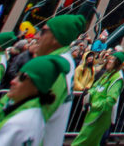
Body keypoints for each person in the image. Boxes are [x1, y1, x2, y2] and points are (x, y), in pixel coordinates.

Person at [35, 14, 86, 146]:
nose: (37, 37)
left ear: (55, 38)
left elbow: (37, 112)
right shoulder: (62, 62)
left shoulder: (56, 66)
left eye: (43, 32)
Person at [71, 51, 124, 146]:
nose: (108, 61)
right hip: (93, 113)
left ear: (117, 63)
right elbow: (95, 87)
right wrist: (88, 93)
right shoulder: (107, 74)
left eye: (112, 59)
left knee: (81, 141)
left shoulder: (117, 78)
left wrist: (94, 105)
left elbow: (111, 100)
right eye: (109, 59)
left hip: (100, 115)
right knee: (92, 142)